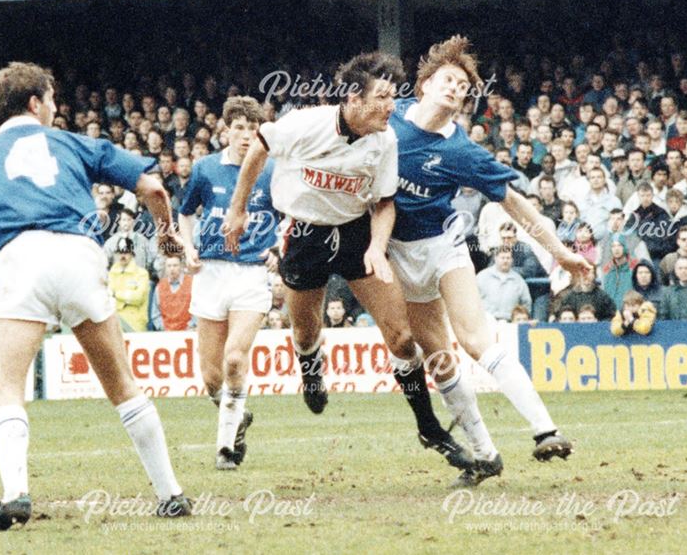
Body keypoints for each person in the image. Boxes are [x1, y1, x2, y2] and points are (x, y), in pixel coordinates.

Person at [0, 62, 190, 530]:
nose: (56, 108)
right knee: (122, 387)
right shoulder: (73, 142)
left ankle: (15, 493)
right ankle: (170, 494)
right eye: (53, 100)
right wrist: (168, 237)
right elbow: (154, 187)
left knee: (8, 390)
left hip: (22, 259)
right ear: (36, 103)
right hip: (80, 255)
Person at [222, 52, 473, 475]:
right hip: (303, 233)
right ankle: (311, 367)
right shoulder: (307, 123)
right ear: (354, 98)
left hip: (357, 233)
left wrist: (377, 246)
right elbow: (260, 148)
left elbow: (386, 201)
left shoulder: (384, 140)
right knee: (305, 330)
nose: (392, 106)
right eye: (382, 97)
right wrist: (238, 208)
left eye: (394, 96)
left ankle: (429, 426)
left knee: (401, 336)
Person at [384, 37, 593, 485]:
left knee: (477, 339)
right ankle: (485, 454)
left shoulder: (460, 152)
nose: (455, 88)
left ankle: (546, 429)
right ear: (424, 84)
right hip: (397, 255)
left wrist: (558, 251)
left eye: (462, 86)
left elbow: (515, 203)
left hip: (443, 248)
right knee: (439, 360)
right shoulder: (388, 117)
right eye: (448, 79)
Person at [178, 96, 277, 470]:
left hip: (251, 273)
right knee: (211, 376)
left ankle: (225, 449)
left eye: (254, 130)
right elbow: (185, 215)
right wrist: (187, 247)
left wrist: (278, 248)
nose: (247, 136)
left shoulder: (270, 171)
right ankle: (237, 415)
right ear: (226, 130)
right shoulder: (205, 170)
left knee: (236, 358)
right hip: (210, 273)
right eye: (239, 128)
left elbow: (292, 215)